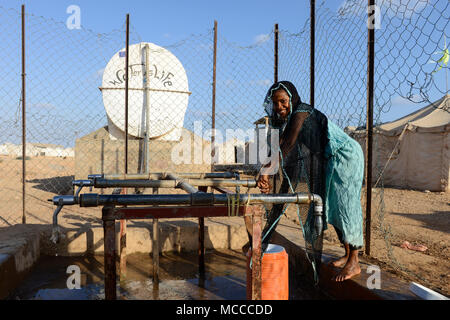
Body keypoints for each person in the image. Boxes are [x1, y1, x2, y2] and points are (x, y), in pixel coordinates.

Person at [256, 81, 365, 282]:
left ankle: (355, 261)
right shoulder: (286, 122)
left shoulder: (302, 112)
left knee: (346, 205)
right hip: (331, 159)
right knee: (332, 206)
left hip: (346, 156)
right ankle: (347, 254)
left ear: (293, 99)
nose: (279, 107)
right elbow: (279, 145)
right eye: (275, 103)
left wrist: (267, 171)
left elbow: (288, 143)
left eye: (283, 101)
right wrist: (265, 172)